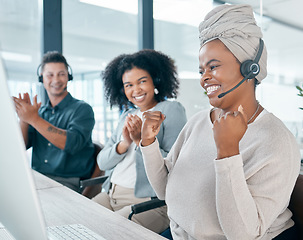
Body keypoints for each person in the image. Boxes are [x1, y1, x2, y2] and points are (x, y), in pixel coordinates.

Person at [140, 4, 301, 240]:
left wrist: (228, 152)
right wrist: (148, 143)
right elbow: (165, 191)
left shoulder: (276, 140)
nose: (204, 77)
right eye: (201, 70)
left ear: (250, 68)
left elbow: (243, 234)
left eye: (213, 66)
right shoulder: (197, 122)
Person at [92, 49, 187, 234]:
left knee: (108, 232)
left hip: (148, 202)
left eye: (142, 81)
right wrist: (124, 144)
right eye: (128, 85)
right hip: (111, 194)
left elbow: (176, 163)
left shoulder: (170, 109)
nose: (135, 90)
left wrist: (140, 142)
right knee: (78, 218)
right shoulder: (127, 115)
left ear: (156, 81)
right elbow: (102, 161)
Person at [13, 51, 95, 192]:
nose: (56, 80)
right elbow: (21, 146)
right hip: (37, 177)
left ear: (68, 77)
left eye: (61, 74)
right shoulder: (40, 113)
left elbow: (71, 144)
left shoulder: (82, 109)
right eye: (50, 75)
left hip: (68, 182)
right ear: (42, 78)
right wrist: (24, 120)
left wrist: (33, 119)